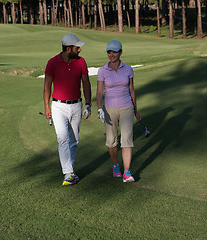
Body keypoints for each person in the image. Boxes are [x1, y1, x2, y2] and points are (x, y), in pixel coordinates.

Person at [43, 34, 92, 186]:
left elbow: (86, 83)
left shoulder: (81, 62)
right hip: (58, 106)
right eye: (77, 47)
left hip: (76, 105)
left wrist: (88, 104)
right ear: (69, 48)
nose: (80, 49)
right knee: (62, 138)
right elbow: (47, 86)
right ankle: (68, 174)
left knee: (74, 141)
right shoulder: (52, 62)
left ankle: (70, 170)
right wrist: (46, 106)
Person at [96, 40, 142, 183]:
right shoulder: (102, 70)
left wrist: (135, 109)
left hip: (126, 107)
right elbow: (99, 91)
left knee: (127, 140)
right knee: (111, 141)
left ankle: (127, 172)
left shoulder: (128, 69)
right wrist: (99, 108)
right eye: (109, 52)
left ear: (120, 52)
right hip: (109, 109)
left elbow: (131, 90)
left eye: (114, 52)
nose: (112, 55)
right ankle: (116, 166)